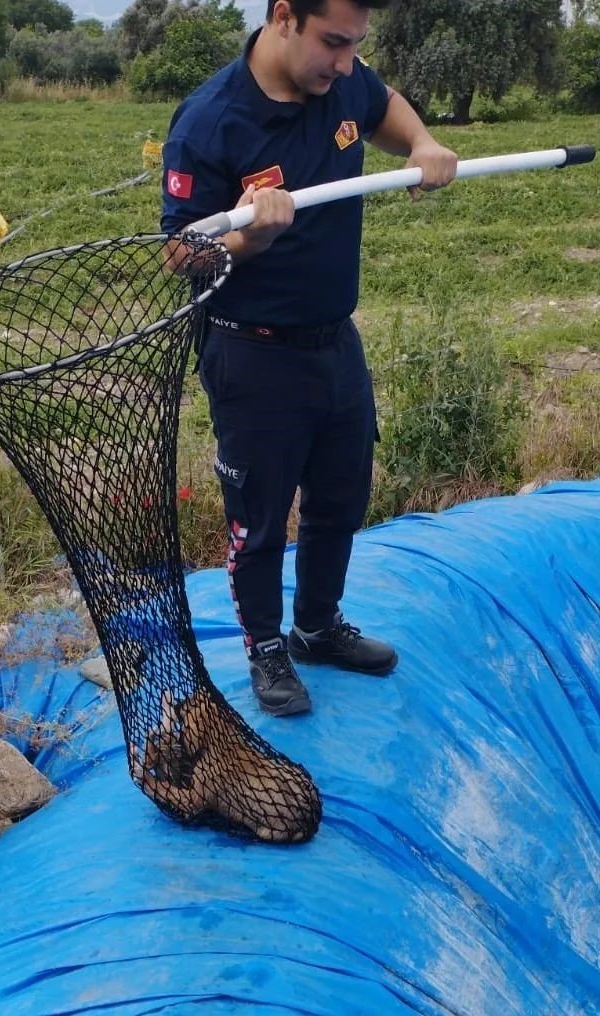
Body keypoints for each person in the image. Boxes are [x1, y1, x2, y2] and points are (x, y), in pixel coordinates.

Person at [161, 0, 458, 717]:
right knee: (259, 518)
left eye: (357, 45)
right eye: (334, 42)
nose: (347, 63)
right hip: (252, 351)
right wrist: (251, 237)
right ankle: (266, 648)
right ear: (285, 16)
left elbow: (383, 104)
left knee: (340, 498)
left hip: (334, 339)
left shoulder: (343, 81)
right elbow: (179, 252)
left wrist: (421, 142)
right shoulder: (210, 121)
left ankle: (317, 628)